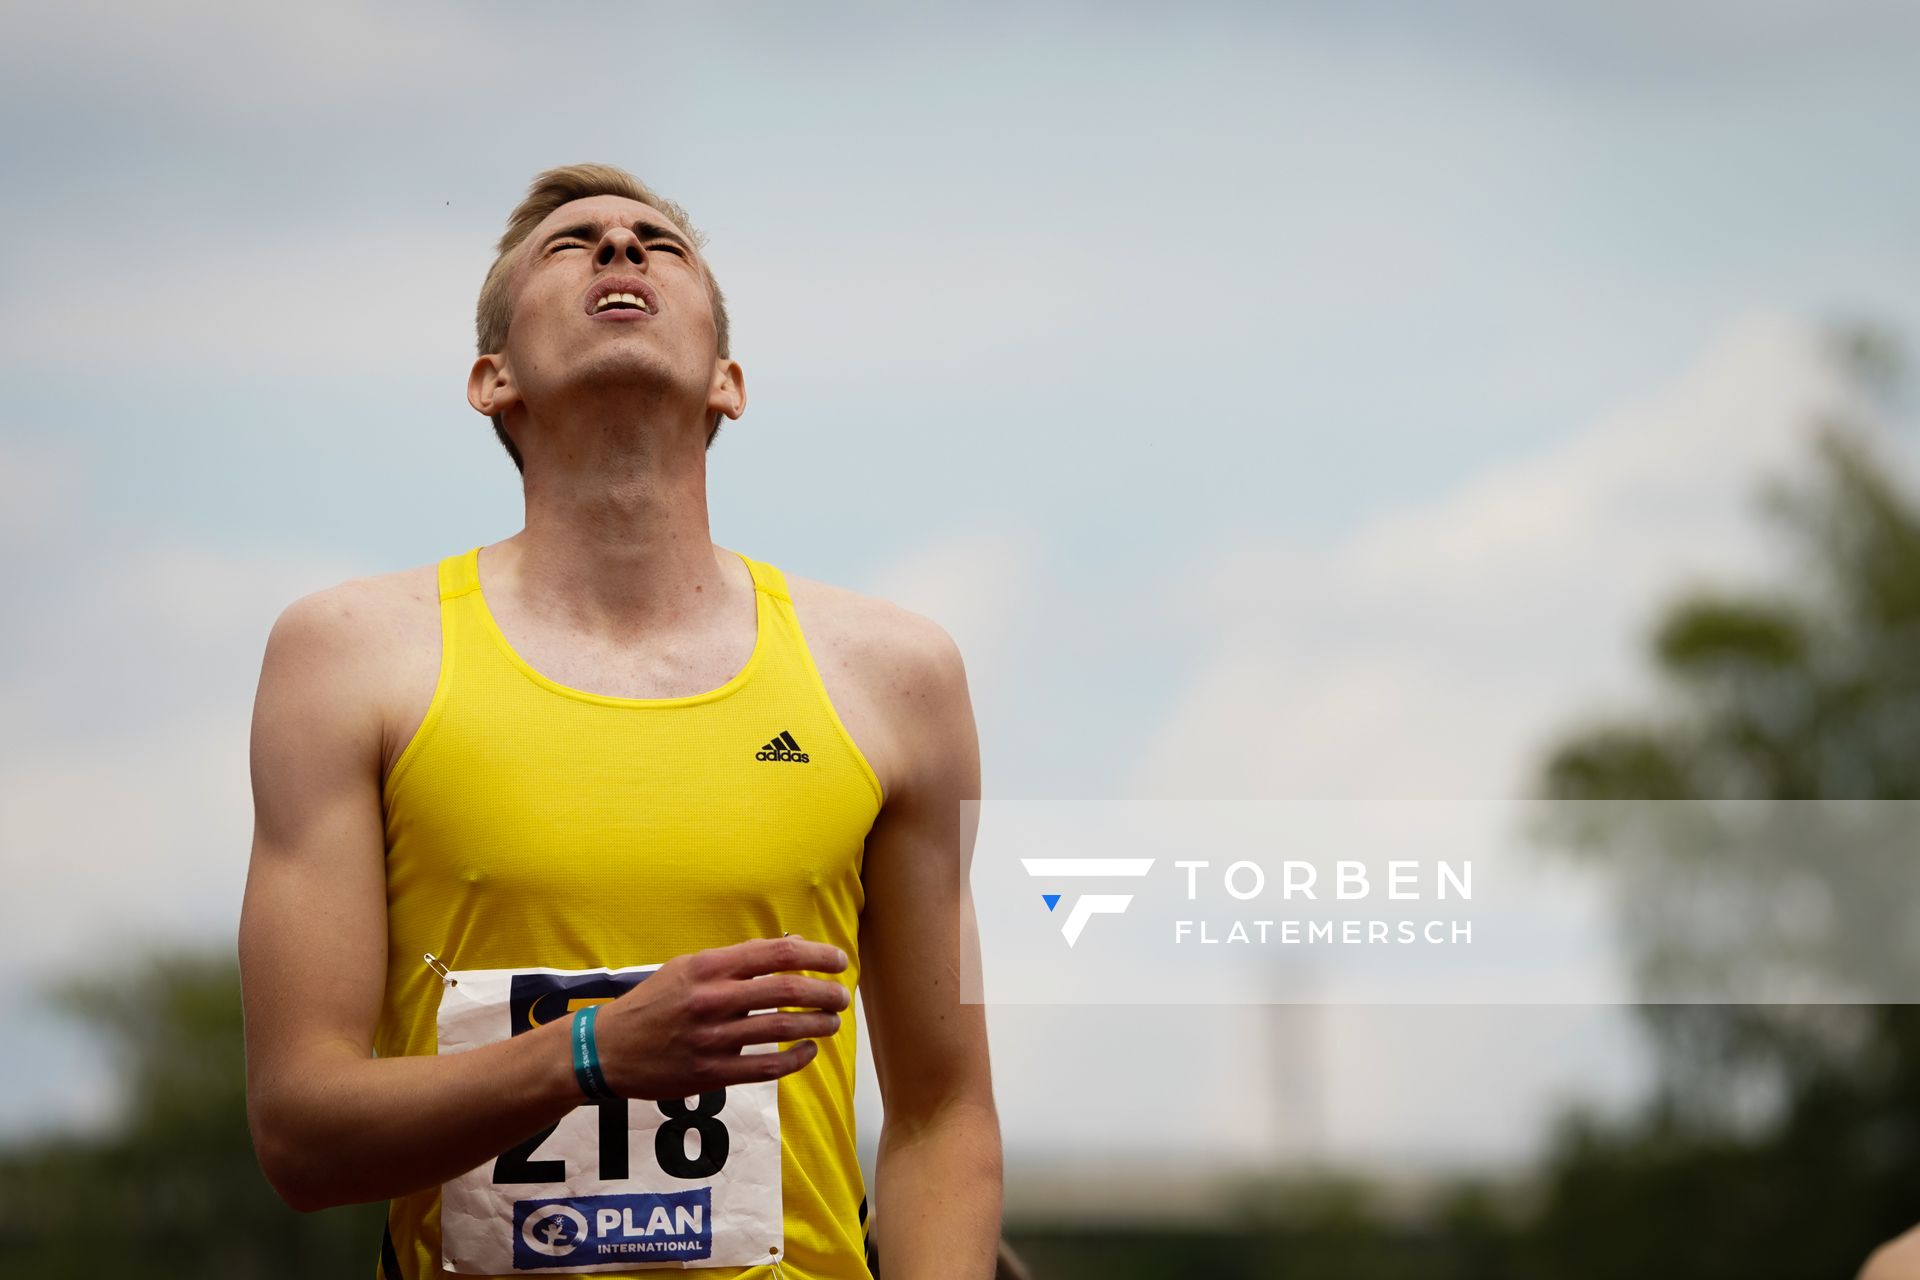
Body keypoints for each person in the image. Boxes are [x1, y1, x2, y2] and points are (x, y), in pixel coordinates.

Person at [239, 163, 1003, 1279]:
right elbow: (301, 1133)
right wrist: (594, 1052)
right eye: (570, 244)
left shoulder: (893, 675)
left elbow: (944, 1114)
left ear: (729, 381)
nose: (619, 248)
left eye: (660, 243)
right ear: (491, 379)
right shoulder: (349, 655)